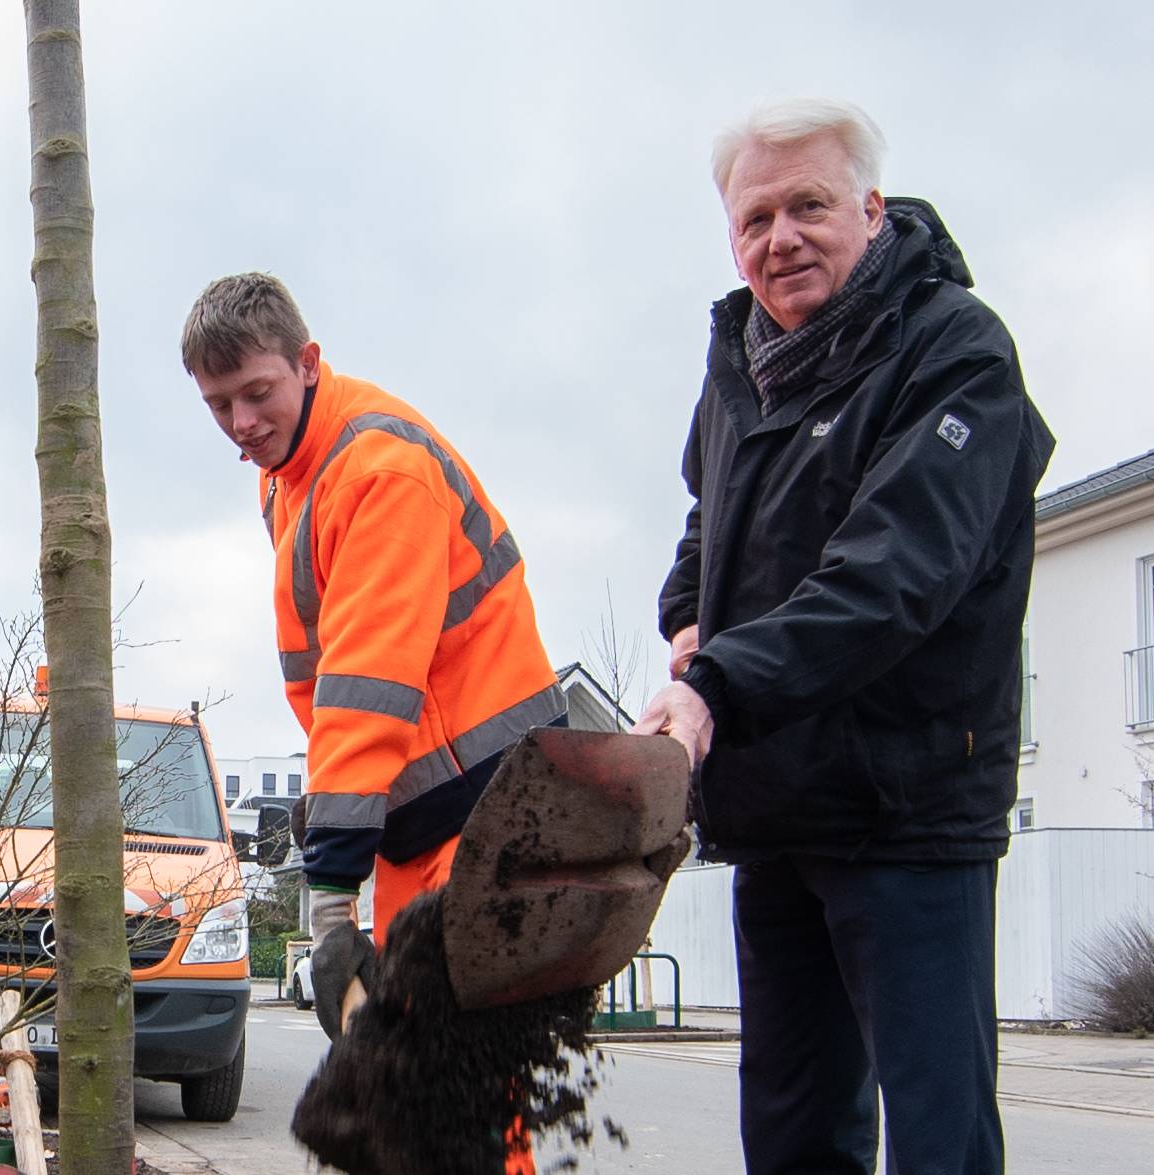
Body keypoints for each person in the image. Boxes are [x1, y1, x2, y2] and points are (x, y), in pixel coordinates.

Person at [633, 99, 1051, 1175]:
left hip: (903, 811)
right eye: (754, 219)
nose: (779, 239)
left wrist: (717, 682)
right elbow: (707, 520)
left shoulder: (955, 350)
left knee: (937, 1137)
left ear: (870, 208)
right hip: (774, 804)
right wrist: (686, 614)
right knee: (791, 1134)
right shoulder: (740, 361)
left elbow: (893, 573)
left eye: (807, 207)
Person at [184, 272, 563, 1172]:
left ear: (308, 363)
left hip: (488, 820)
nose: (241, 423)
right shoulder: (289, 475)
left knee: (465, 1096)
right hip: (421, 822)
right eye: (218, 404)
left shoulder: (378, 471)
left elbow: (365, 688)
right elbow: (334, 691)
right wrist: (345, 821)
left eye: (257, 393)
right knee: (427, 1098)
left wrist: (328, 899)